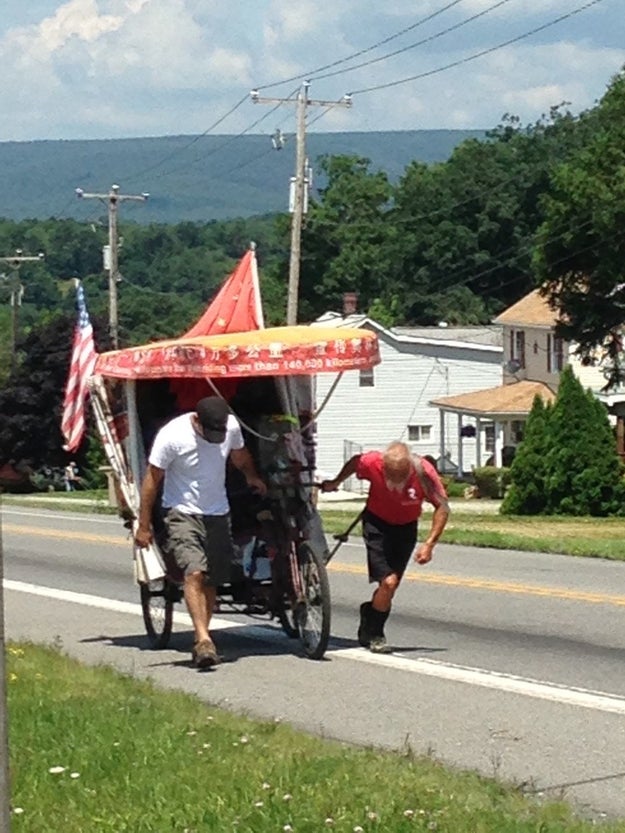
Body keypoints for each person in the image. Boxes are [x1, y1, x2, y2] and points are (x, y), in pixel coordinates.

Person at [134, 396, 266, 669]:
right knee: (194, 572)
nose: (217, 438)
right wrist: (144, 524)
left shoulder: (229, 427)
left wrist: (251, 475)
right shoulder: (172, 435)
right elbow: (152, 479)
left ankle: (202, 640)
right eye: (211, 432)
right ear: (197, 420)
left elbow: (240, 456)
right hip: (181, 511)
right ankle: (204, 639)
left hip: (218, 512)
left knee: (211, 578)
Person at [321, 441, 449, 653]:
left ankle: (369, 615)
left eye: (401, 477)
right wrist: (335, 482)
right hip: (376, 524)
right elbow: (355, 463)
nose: (396, 483)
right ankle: (376, 634)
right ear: (383, 466)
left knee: (391, 586)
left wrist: (429, 544)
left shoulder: (423, 471)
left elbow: (442, 507)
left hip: (406, 527)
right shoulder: (372, 462)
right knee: (388, 583)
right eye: (391, 477)